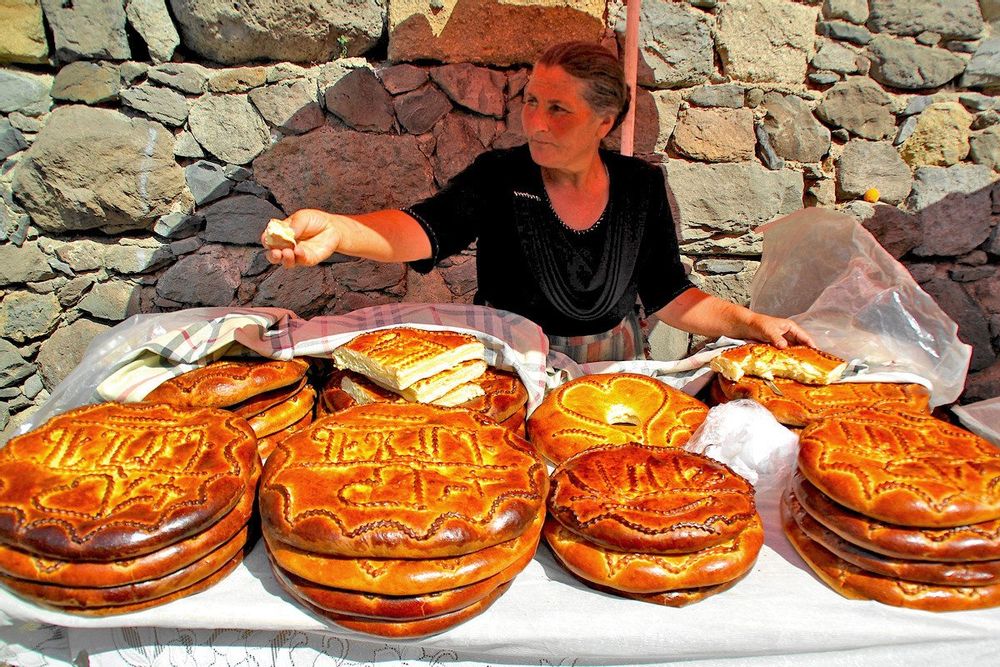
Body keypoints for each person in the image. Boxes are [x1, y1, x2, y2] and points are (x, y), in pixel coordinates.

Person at [263, 41, 813, 363]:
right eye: (531, 101)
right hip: (509, 361)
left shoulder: (640, 188)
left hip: (613, 369)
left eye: (558, 109)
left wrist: (750, 321)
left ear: (605, 122)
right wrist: (339, 230)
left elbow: (670, 296)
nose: (534, 123)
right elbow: (425, 228)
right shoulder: (501, 176)